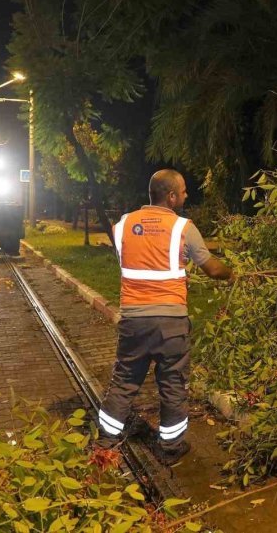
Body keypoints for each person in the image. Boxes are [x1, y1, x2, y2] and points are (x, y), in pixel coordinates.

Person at [96, 169, 234, 463]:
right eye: (183, 191)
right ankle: (170, 448)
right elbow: (213, 269)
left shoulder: (123, 225)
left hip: (134, 320)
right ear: (171, 196)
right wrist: (234, 274)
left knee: (124, 380)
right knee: (172, 383)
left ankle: (106, 442)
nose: (186, 195)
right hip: (171, 323)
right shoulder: (183, 228)